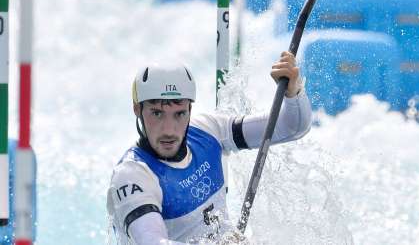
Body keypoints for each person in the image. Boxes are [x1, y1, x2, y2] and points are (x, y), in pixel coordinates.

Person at [107, 51, 312, 244]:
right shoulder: (132, 175)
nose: (169, 130)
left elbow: (291, 127)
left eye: (179, 114)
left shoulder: (208, 131)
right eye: (157, 114)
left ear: (190, 108)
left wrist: (293, 92)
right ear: (137, 109)